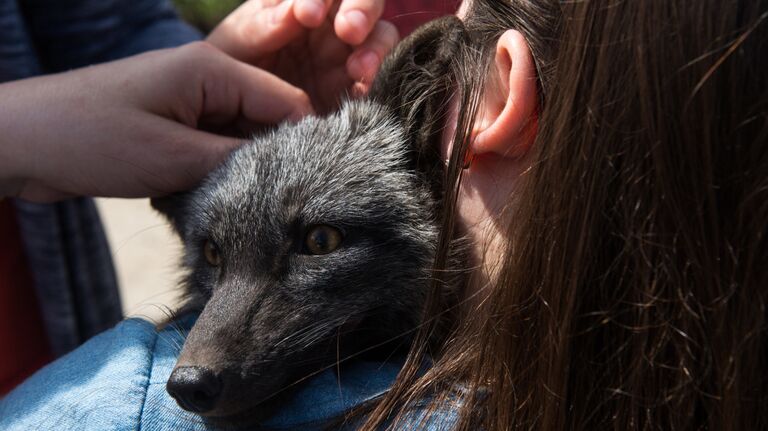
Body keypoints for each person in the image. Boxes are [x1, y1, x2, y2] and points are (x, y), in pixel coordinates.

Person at [3, 0, 768, 429]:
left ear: (497, 100)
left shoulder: (115, 403)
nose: (191, 365)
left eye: (320, 241)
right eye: (210, 259)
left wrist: (25, 133)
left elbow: (101, 24)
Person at [0, 0, 396, 395]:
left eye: (319, 242)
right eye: (213, 256)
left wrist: (228, 75)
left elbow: (111, 29)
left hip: (41, 339)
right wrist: (22, 133)